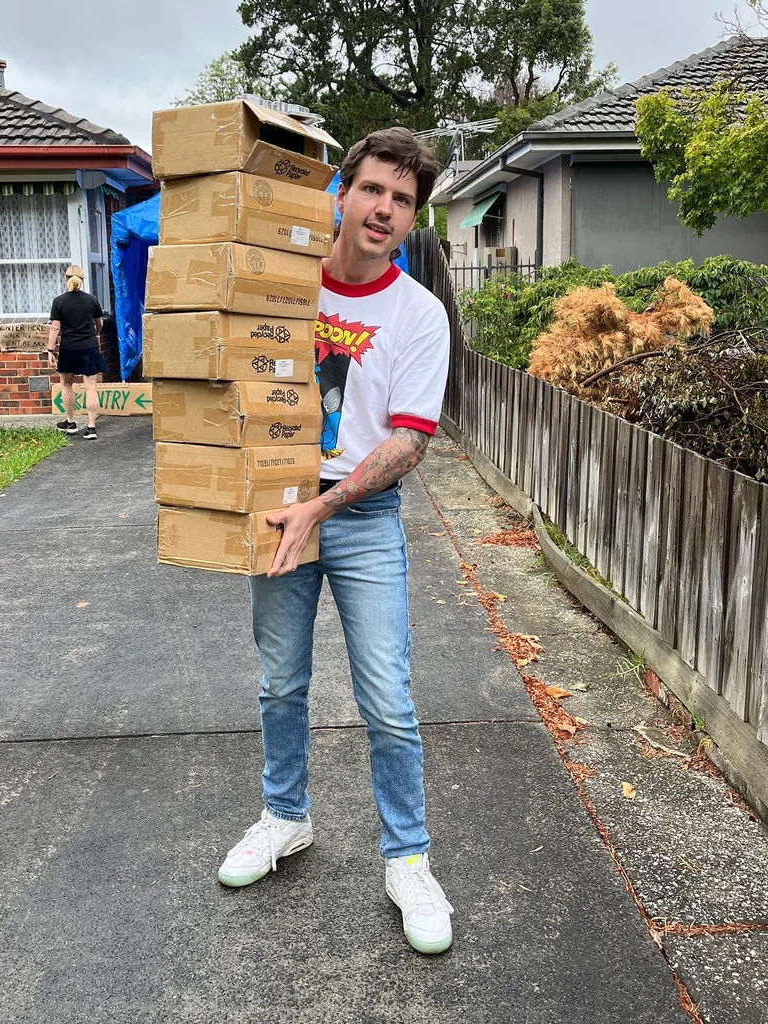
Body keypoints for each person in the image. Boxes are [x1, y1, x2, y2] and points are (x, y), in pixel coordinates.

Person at [217, 128, 454, 955]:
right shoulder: (280, 284)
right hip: (279, 504)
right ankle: (285, 819)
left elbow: (408, 444)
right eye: (374, 190)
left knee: (387, 698)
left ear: (412, 215)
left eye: (403, 199)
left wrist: (325, 507)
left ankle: (409, 859)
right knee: (280, 681)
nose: (385, 208)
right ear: (343, 193)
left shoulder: (418, 315)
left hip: (360, 517)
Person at [47, 265, 106, 440]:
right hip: (89, 346)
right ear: (82, 279)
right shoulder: (91, 300)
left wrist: (50, 350)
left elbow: (55, 328)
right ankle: (91, 427)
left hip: (69, 347)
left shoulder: (59, 301)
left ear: (66, 279)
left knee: (66, 385)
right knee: (91, 387)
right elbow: (100, 323)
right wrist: (94, 333)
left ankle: (71, 422)